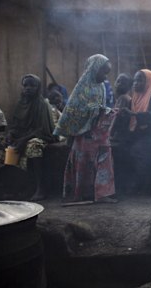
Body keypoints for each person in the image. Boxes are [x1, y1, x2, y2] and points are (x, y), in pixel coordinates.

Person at [54, 54, 117, 205]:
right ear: (93, 69)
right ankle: (82, 194)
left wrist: (105, 111)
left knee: (104, 162)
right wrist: (95, 110)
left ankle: (102, 194)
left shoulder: (102, 87)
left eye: (107, 73)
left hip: (100, 134)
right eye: (103, 72)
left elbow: (99, 107)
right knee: (83, 164)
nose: (105, 76)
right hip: (84, 134)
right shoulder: (82, 87)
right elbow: (75, 110)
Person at [0, 74, 58, 200]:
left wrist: (23, 140)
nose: (28, 88)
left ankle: (40, 188)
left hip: (40, 136)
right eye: (25, 85)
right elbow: (16, 125)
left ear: (37, 88)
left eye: (32, 85)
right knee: (0, 143)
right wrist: (11, 134)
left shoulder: (42, 104)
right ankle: (7, 186)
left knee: (33, 146)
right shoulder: (20, 104)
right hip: (22, 136)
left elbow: (41, 129)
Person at [127, 69, 151, 195]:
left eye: (140, 80)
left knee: (139, 153)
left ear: (148, 82)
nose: (136, 83)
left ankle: (145, 187)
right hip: (134, 134)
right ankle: (135, 185)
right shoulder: (132, 99)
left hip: (147, 135)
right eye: (135, 80)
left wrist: (134, 114)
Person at [110, 73, 133, 194]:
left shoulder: (124, 98)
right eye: (118, 81)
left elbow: (117, 119)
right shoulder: (120, 98)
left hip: (121, 137)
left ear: (128, 86)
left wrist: (110, 134)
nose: (119, 84)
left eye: (122, 82)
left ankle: (120, 190)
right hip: (120, 137)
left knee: (120, 164)